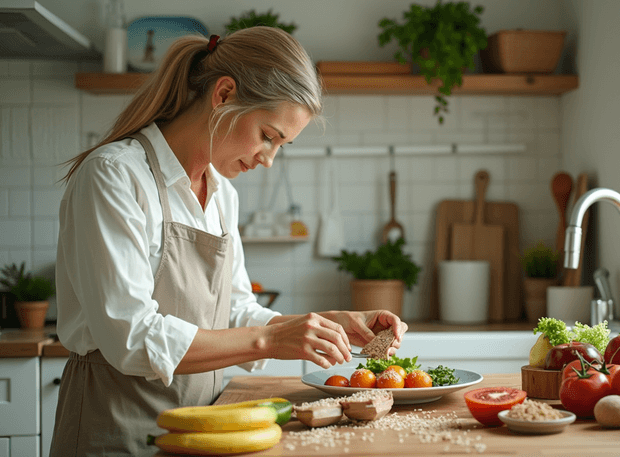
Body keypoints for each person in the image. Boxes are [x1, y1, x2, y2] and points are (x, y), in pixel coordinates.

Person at [50, 27, 407, 456]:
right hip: (115, 431)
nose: (268, 159)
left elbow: (234, 311)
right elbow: (132, 338)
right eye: (268, 135)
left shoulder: (222, 194)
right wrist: (272, 341)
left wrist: (326, 323)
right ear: (223, 95)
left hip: (204, 429)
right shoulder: (115, 176)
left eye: (282, 146)